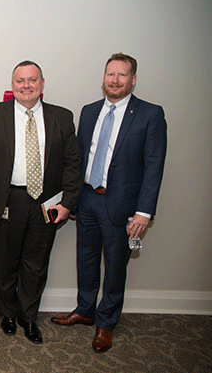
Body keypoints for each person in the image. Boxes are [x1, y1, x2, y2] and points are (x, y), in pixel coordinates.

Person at [51, 53, 167, 353]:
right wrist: (72, 200)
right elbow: (77, 159)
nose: (115, 80)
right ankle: (86, 310)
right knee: (86, 260)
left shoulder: (150, 115)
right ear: (103, 78)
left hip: (121, 205)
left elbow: (154, 166)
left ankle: (106, 323)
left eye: (122, 75)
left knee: (115, 267)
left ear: (133, 79)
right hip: (88, 199)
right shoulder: (89, 111)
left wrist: (143, 211)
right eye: (110, 75)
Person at [0, 61, 81, 345]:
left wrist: (68, 203)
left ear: (42, 83)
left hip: (46, 202)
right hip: (7, 199)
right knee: (4, 262)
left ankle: (28, 318)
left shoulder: (62, 117)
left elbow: (72, 164)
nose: (26, 85)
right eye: (20, 81)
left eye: (32, 80)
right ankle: (7, 314)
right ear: (12, 85)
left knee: (35, 265)